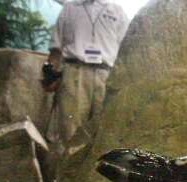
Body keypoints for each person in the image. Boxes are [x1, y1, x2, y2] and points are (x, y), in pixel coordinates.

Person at [41, 0, 129, 148]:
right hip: (74, 73)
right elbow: (56, 48)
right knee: (69, 133)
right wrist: (50, 76)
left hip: (106, 75)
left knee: (105, 132)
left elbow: (126, 49)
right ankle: (67, 170)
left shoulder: (117, 10)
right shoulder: (69, 7)